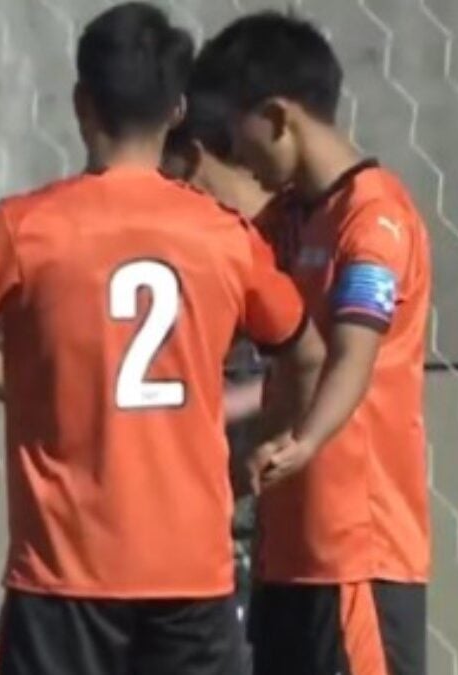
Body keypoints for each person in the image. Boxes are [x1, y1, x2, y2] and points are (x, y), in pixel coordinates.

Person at [0, 3, 373, 673]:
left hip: (65, 576)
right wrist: (274, 445)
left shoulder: (27, 227)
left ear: (82, 103)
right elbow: (308, 351)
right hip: (192, 575)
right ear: (177, 110)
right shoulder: (224, 236)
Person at [197, 12, 432, 675]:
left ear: (277, 116)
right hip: (285, 552)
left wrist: (305, 441)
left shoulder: (375, 217)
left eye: (235, 133)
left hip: (355, 553)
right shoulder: (287, 221)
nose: (236, 157)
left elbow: (352, 351)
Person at [161, 87, 276, 673]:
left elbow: (330, 360)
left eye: (163, 169)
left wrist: (207, 404)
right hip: (195, 519)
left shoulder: (280, 237)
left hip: (278, 515)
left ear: (193, 157)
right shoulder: (190, 240)